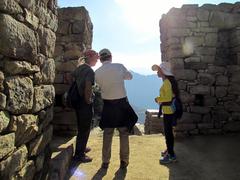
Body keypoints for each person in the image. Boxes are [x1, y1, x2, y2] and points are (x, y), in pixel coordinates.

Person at [95, 48, 137, 169]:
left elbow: (98, 84)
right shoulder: (119, 66)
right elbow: (130, 77)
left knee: (108, 133)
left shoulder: (97, 72)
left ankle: (105, 161)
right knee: (123, 133)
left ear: (100, 59)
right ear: (111, 56)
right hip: (122, 104)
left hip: (108, 105)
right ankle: (124, 161)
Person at [72, 49, 99, 162]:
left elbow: (72, 79)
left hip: (77, 101)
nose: (97, 60)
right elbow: (88, 87)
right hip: (84, 103)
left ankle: (81, 148)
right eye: (96, 58)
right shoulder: (89, 71)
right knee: (85, 128)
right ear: (90, 57)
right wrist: (88, 101)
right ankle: (79, 154)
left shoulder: (79, 68)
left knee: (81, 126)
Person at [152, 61, 179, 164]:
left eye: (158, 70)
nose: (157, 72)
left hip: (169, 112)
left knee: (168, 134)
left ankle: (171, 156)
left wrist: (157, 99)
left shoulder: (167, 83)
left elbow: (167, 98)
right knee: (169, 133)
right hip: (169, 111)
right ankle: (169, 150)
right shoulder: (168, 81)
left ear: (163, 71)